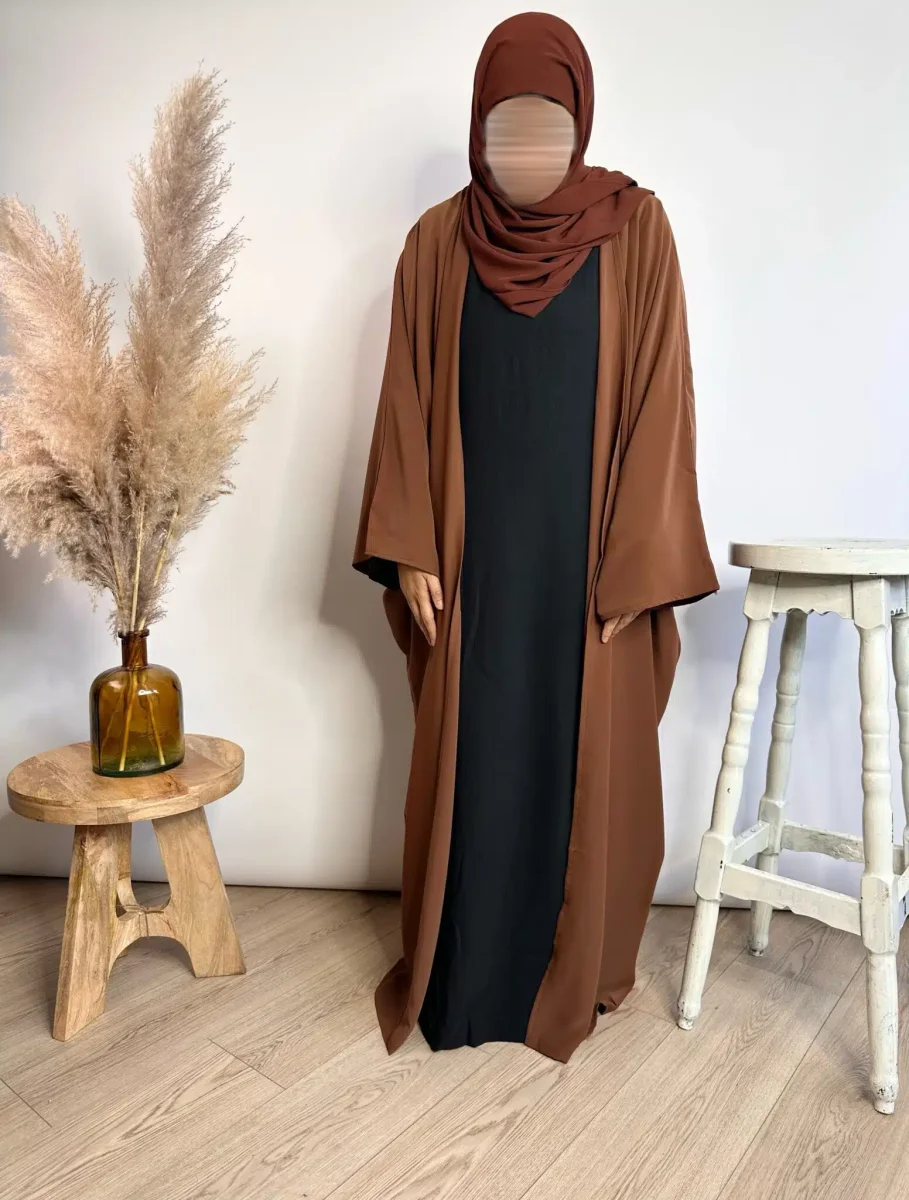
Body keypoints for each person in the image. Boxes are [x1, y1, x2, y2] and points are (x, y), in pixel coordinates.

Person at [353, 11, 718, 1063]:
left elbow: (662, 400)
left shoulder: (636, 231)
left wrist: (636, 566)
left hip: (589, 565)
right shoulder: (435, 243)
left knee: (583, 755)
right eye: (504, 125)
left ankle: (572, 966)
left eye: (546, 125)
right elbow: (404, 401)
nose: (525, 148)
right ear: (476, 128)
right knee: (474, 759)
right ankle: (466, 969)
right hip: (473, 566)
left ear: (581, 123)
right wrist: (410, 545)